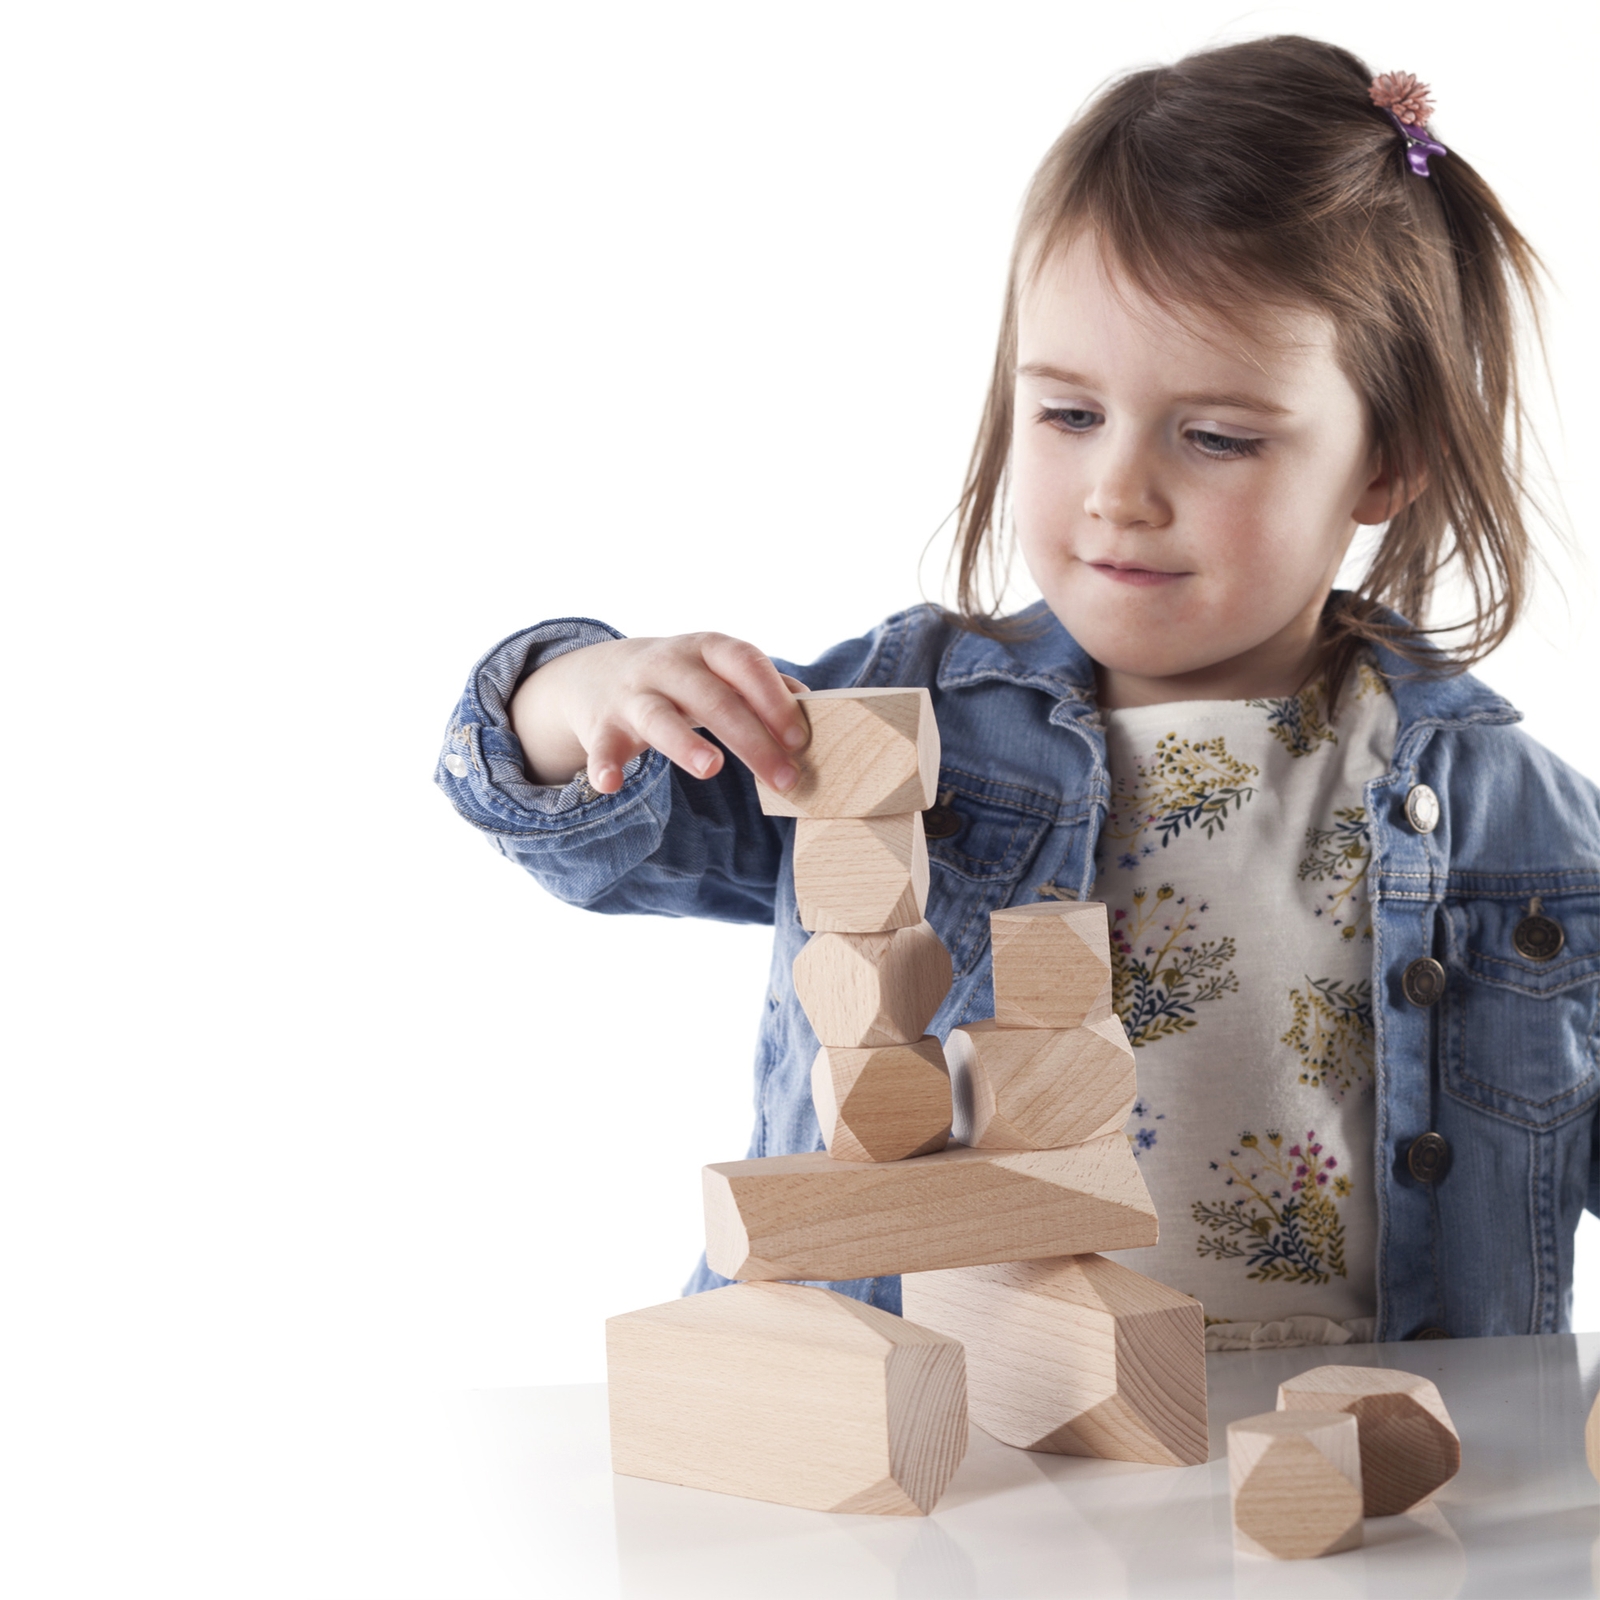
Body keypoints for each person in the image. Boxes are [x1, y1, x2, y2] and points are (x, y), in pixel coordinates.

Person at [436, 36, 1599, 1346]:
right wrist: (579, 689)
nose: (1119, 490)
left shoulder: (1511, 824)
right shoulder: (914, 724)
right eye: (1067, 415)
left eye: (1215, 435)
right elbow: (609, 831)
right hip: (960, 1467)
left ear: (1385, 464)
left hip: (1338, 1478)